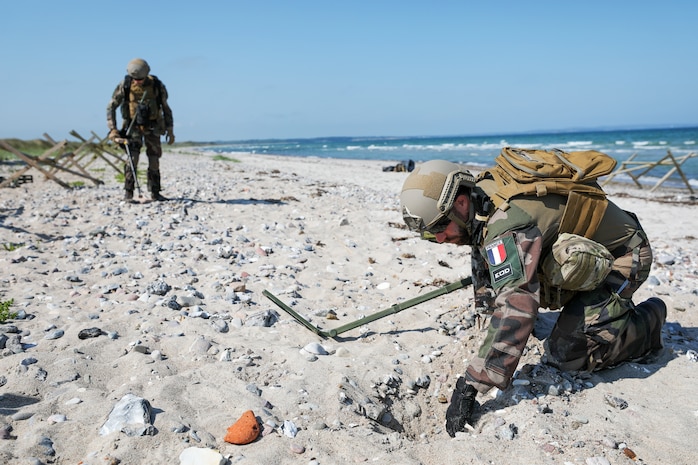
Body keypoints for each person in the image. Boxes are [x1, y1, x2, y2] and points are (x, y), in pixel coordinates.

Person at [399, 158, 666, 437]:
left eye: (440, 227)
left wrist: (471, 384)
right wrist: (487, 308)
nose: (440, 239)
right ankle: (600, 308)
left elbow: (519, 301)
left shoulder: (505, 223)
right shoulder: (481, 200)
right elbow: (482, 249)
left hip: (625, 256)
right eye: (431, 234)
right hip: (582, 252)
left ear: (461, 203)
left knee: (566, 356)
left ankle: (648, 323)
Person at [107, 58, 175, 201]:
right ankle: (129, 193)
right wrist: (113, 129)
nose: (137, 82)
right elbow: (111, 107)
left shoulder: (156, 85)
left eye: (140, 79)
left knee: (154, 160)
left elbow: (166, 108)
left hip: (153, 127)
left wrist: (170, 129)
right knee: (132, 159)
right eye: (135, 79)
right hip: (132, 128)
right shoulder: (124, 85)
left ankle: (155, 192)